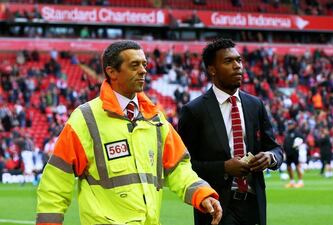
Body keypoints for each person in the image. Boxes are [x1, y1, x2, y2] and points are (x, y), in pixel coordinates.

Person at [36, 40, 222, 225]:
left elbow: (179, 169)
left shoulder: (156, 119)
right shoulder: (85, 119)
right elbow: (56, 180)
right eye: (134, 65)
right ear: (112, 72)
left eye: (144, 64)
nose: (143, 70)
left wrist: (202, 193)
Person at [178, 38, 283, 225]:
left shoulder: (255, 105)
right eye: (229, 61)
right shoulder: (194, 111)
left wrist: (270, 157)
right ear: (212, 70)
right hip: (215, 206)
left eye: (239, 60)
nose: (237, 66)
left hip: (252, 205)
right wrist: (224, 168)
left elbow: (276, 149)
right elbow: (185, 166)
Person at [283, 119, 304, 188]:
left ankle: (300, 182)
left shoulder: (296, 132)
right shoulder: (287, 133)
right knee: (288, 167)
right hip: (288, 153)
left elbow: (301, 139)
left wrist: (298, 144)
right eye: (288, 125)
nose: (289, 126)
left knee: (297, 166)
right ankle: (292, 182)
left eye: (290, 124)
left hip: (294, 152)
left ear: (293, 125)